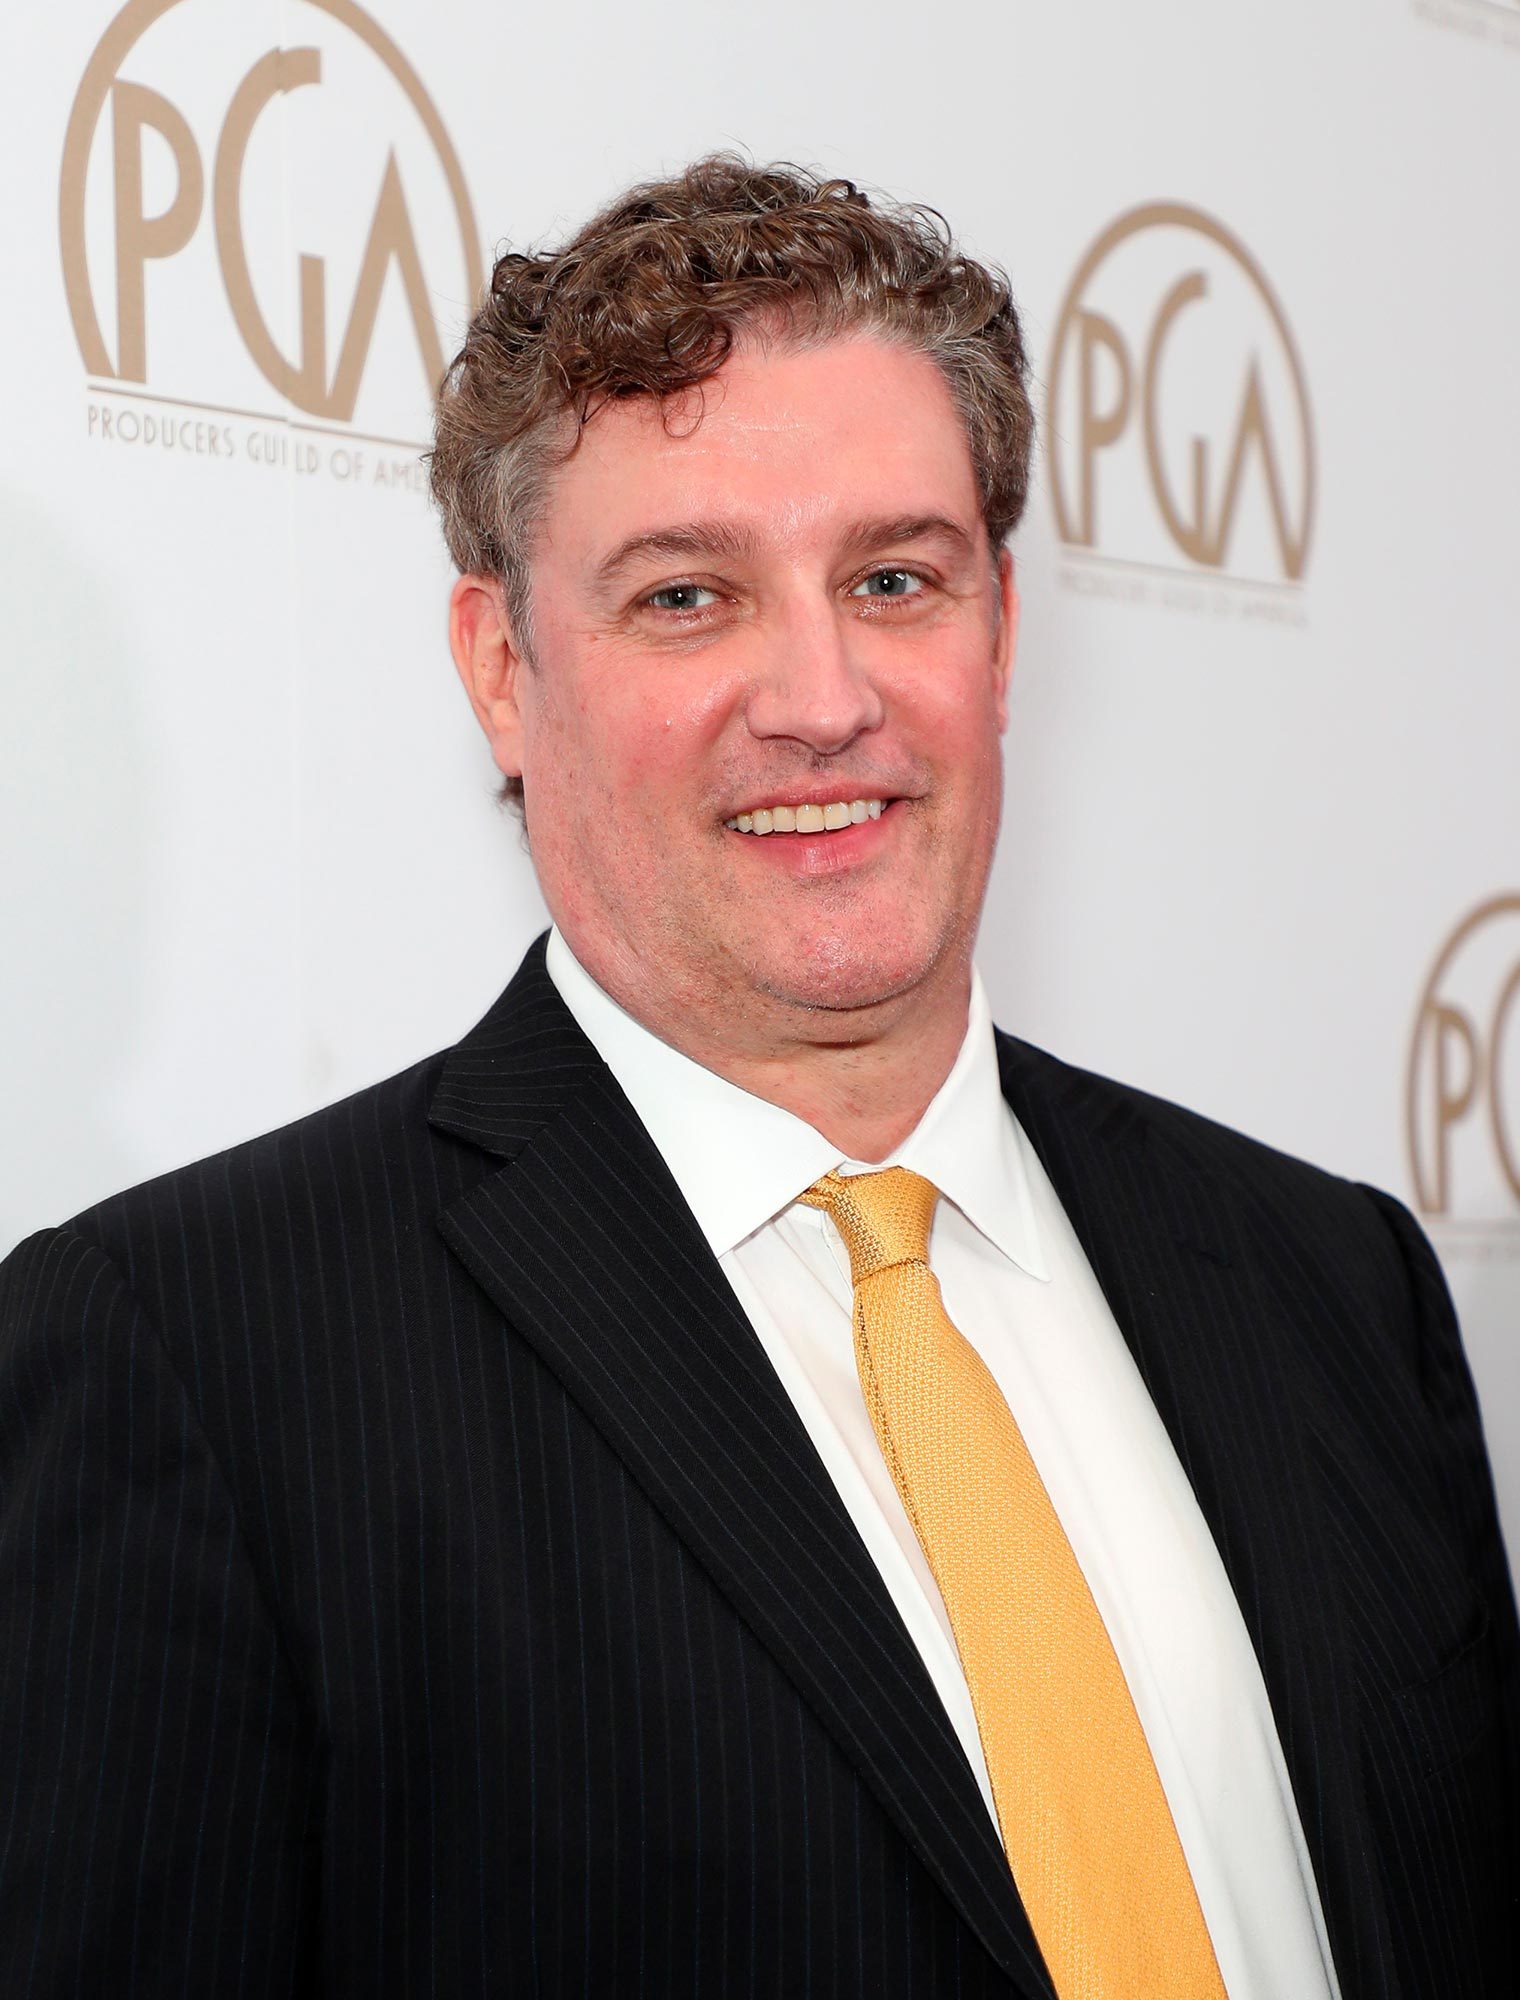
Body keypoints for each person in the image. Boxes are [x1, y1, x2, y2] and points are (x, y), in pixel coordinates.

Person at [1, 156, 1515, 2000]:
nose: (821, 697)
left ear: (1002, 632)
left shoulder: (1336, 1290)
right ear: (500, 668)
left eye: (893, 578)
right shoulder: (197, 1359)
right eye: (687, 597)